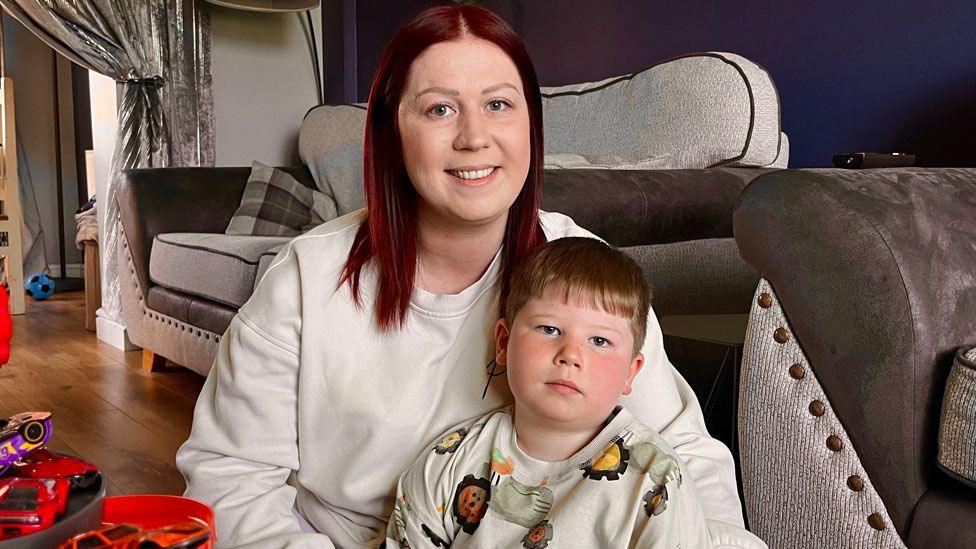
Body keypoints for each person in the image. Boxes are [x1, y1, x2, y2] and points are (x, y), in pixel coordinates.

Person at [177, 4, 758, 548]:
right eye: (439, 109)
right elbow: (231, 477)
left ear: (531, 124)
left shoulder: (581, 268)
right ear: (392, 132)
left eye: (499, 105)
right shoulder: (308, 279)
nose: (474, 137)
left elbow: (683, 451)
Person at [386, 237, 714, 548]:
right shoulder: (448, 464)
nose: (570, 354)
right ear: (504, 343)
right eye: (549, 329)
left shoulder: (656, 479)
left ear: (630, 372)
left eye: (599, 341)